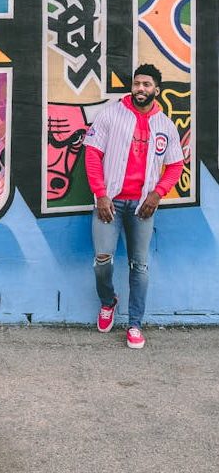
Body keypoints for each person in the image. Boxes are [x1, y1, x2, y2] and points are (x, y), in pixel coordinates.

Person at [83, 64, 184, 349]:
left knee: (139, 266)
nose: (141, 88)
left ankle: (135, 324)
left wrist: (157, 194)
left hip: (142, 207)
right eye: (137, 83)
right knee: (102, 260)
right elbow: (92, 154)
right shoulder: (111, 115)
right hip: (110, 203)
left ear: (156, 90)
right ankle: (108, 301)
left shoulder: (165, 125)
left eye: (147, 84)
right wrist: (101, 194)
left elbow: (175, 165)